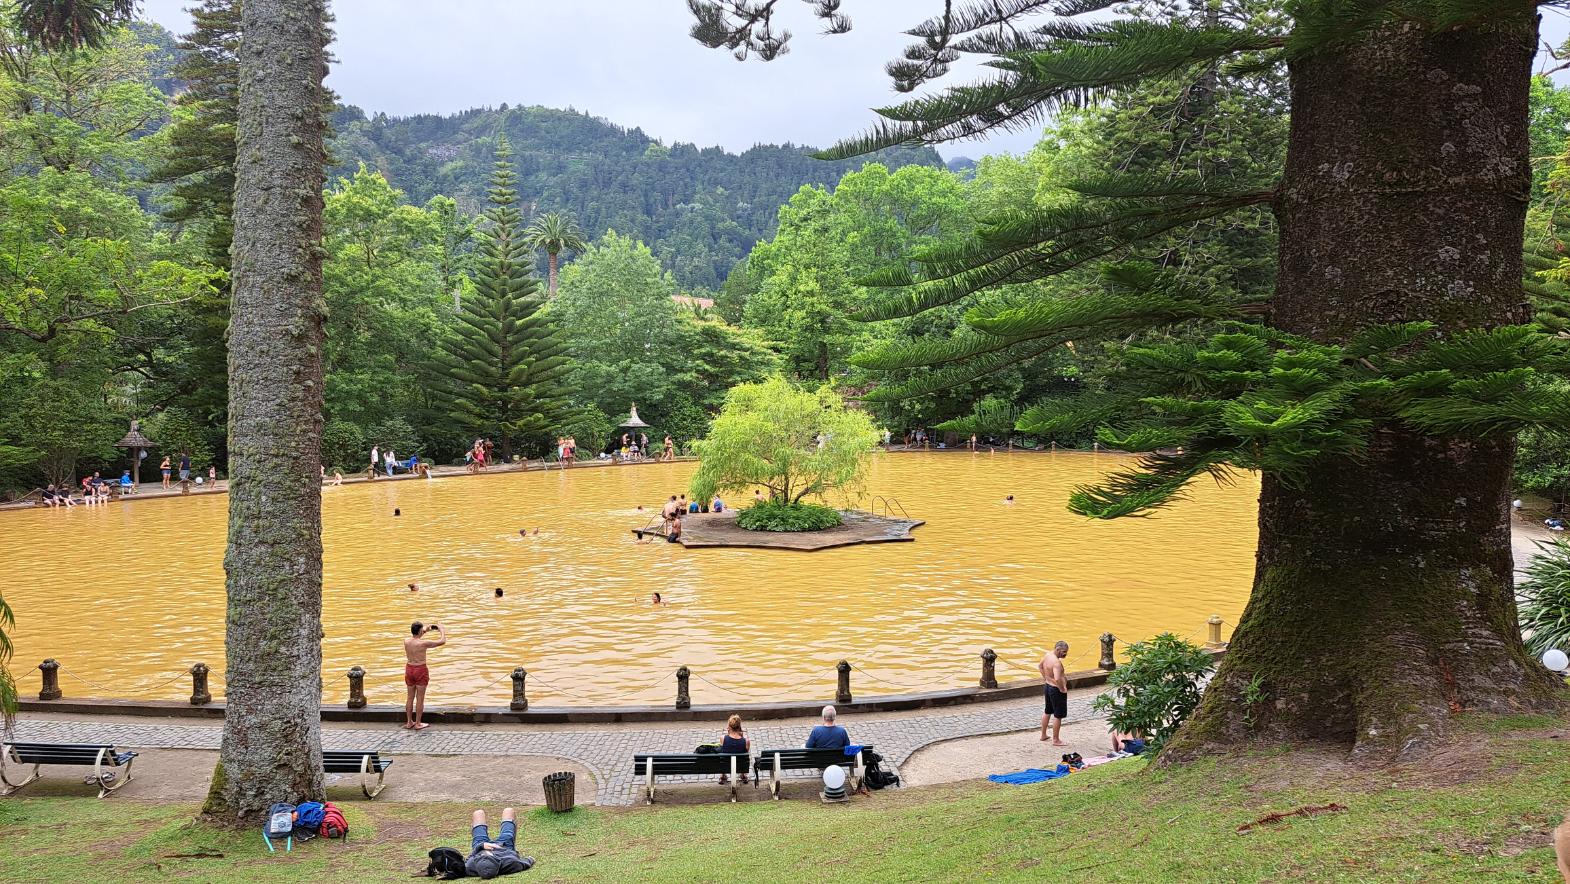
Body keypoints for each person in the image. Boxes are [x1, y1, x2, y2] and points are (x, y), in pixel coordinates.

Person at [404, 621, 446, 730]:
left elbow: (417, 636)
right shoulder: (423, 643)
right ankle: (418, 723)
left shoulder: (406, 641)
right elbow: (442, 641)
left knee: (410, 697)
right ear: (419, 631)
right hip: (420, 669)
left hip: (409, 668)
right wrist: (442, 630)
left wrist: (426, 630)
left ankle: (409, 722)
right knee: (420, 698)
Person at [1040, 640, 1070, 746]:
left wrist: (1046, 678)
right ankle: (1056, 740)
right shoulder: (1056, 663)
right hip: (1056, 690)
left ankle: (1043, 735)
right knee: (1058, 715)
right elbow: (1057, 678)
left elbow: (1040, 666)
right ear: (1057, 649)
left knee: (1047, 711)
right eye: (1064, 652)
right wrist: (1062, 688)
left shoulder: (1047, 655)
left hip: (1048, 686)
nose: (1065, 654)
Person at [718, 714, 751, 785]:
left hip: (726, 766)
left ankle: (723, 775)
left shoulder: (723, 738)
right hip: (741, 766)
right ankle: (743, 774)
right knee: (742, 758)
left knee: (723, 756)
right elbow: (745, 753)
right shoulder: (746, 741)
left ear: (729, 727)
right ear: (739, 727)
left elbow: (723, 751)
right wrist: (742, 736)